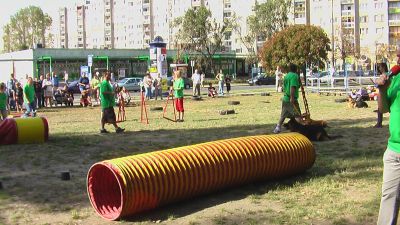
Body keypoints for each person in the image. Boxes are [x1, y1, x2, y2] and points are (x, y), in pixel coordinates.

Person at [376, 49, 400, 225]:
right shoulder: (395, 80)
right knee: (388, 199)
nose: (398, 58)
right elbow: (384, 109)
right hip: (394, 152)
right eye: (398, 55)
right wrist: (382, 90)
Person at [273, 64, 301, 134]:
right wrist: (292, 97)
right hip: (291, 99)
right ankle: (301, 129)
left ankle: (277, 128)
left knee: (283, 115)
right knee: (297, 115)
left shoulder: (287, 76)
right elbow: (292, 86)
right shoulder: (294, 76)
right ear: (296, 69)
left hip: (285, 98)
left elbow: (286, 86)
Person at [374, 63, 388, 128]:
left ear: (384, 67)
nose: (379, 69)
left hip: (386, 93)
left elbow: (382, 82)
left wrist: (376, 82)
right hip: (382, 92)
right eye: (379, 67)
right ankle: (379, 123)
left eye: (380, 67)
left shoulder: (386, 74)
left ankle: (379, 123)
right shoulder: (382, 75)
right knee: (380, 109)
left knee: (383, 108)